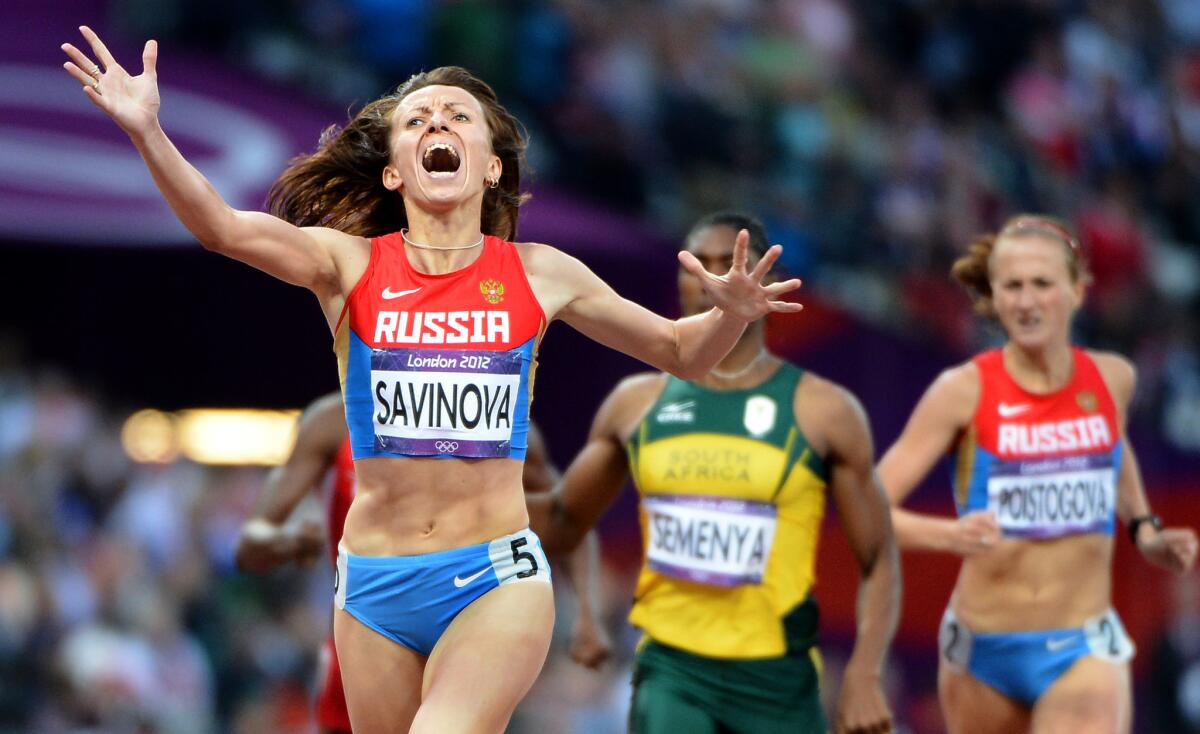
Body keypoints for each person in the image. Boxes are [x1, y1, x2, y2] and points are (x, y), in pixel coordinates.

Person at [61, 28, 800, 733]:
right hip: (375, 586)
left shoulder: (540, 275)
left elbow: (681, 350)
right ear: (393, 168)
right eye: (416, 119)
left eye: (457, 116)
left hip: (494, 577)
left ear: (490, 166)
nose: (436, 122)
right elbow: (222, 228)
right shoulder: (347, 265)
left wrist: (730, 316)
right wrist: (147, 132)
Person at [528, 213, 899, 734]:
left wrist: (864, 675)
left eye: (733, 264)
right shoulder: (635, 405)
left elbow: (879, 557)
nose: (719, 279)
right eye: (700, 265)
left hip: (776, 675)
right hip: (671, 671)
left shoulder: (823, 411)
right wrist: (473, 484)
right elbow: (563, 521)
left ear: (768, 285)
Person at [877, 215, 1199, 733]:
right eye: (1013, 287)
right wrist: (947, 533)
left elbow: (1114, 453)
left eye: (1042, 285)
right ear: (996, 298)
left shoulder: (1112, 379)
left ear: (1076, 290)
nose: (1027, 302)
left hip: (1081, 646)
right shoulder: (961, 391)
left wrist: (1143, 527)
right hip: (982, 652)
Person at [234, 394, 611, 734]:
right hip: (368, 628)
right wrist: (288, 540)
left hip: (471, 609)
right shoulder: (332, 423)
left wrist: (587, 612)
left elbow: (563, 515)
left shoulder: (493, 412)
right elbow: (250, 544)